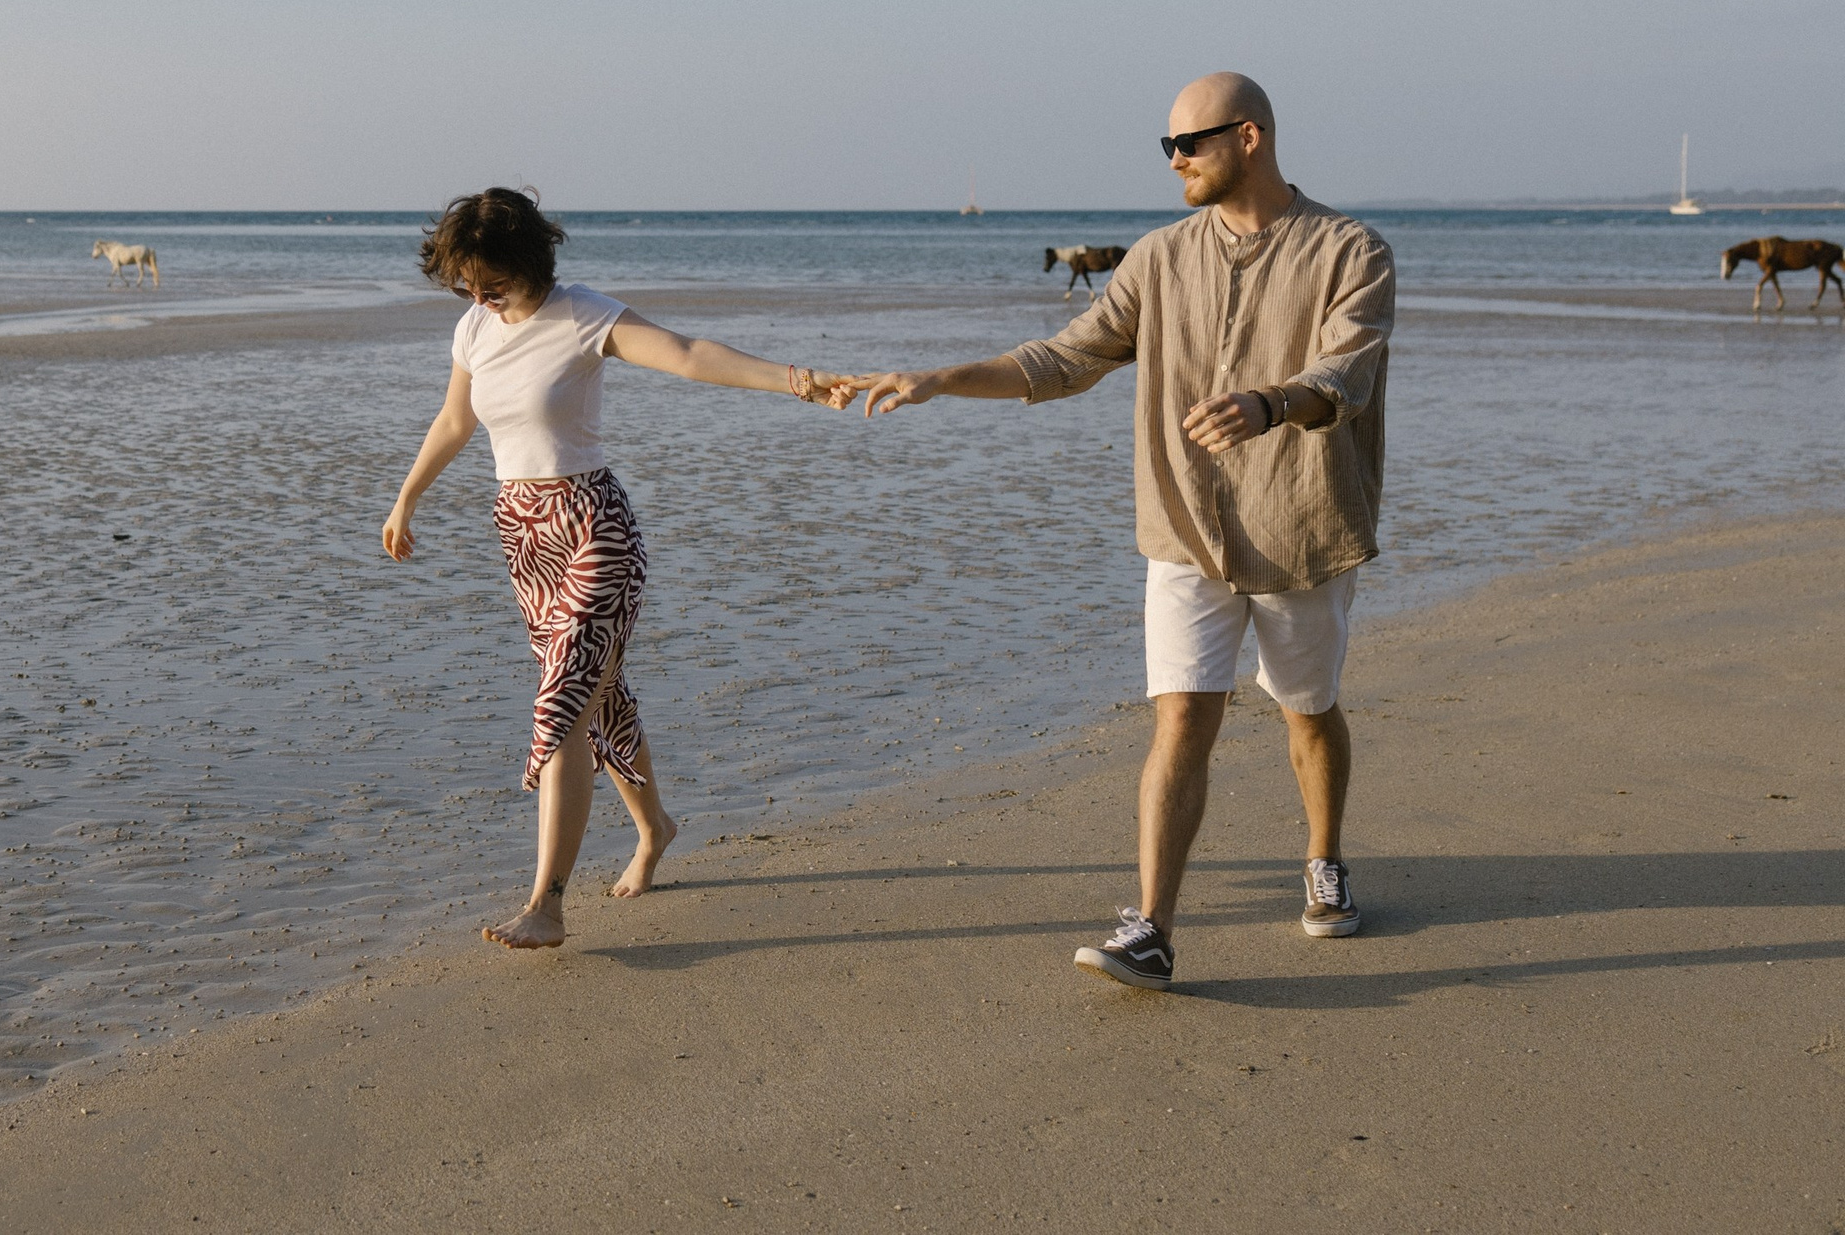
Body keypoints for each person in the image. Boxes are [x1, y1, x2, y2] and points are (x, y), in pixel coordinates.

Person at [848, 73, 1393, 989]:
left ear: (1250, 136)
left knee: (1306, 708)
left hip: (1300, 521)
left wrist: (1269, 403)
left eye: (1191, 142)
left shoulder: (1349, 248)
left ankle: (1325, 856)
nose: (1175, 159)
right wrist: (945, 376)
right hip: (1183, 523)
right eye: (1166, 146)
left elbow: (1350, 368)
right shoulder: (1158, 257)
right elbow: (1067, 357)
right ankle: (1154, 929)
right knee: (1181, 715)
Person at [382, 188, 856, 950]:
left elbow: (689, 354)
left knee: (561, 702)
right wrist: (407, 498)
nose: (476, 295)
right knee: (600, 700)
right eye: (464, 282)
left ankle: (547, 902)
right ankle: (655, 827)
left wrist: (797, 379)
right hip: (524, 537)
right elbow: (455, 419)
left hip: (595, 529)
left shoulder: (583, 315)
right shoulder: (475, 326)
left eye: (489, 279)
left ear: (527, 260)